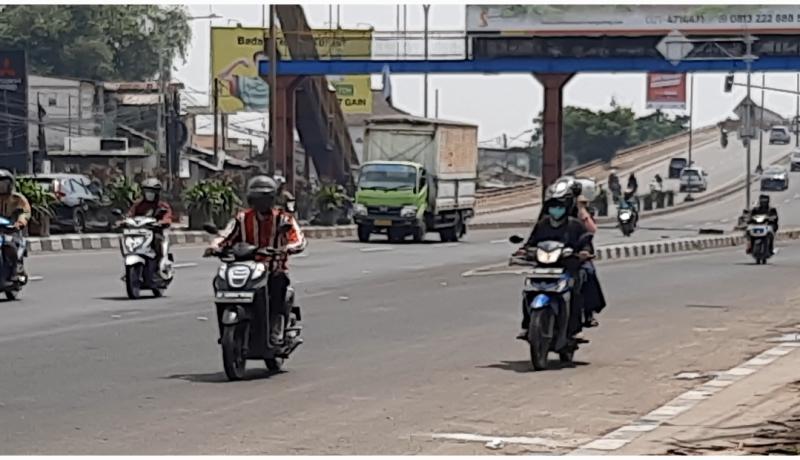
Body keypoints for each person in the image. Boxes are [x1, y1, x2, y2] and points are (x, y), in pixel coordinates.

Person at [209, 175, 307, 344]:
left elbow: (298, 239)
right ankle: (226, 330)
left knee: (278, 284)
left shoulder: (283, 219)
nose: (261, 203)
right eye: (257, 199)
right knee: (220, 282)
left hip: (273, 269)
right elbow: (226, 235)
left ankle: (275, 327)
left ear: (272, 199)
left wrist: (286, 249)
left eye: (265, 198)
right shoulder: (242, 218)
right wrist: (215, 246)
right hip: (246, 268)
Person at [515, 186, 592, 341]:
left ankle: (575, 329)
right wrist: (523, 251)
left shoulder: (575, 225)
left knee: (575, 292)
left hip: (567, 266)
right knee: (528, 291)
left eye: (559, 207)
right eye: (553, 207)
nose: (556, 210)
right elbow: (531, 242)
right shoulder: (542, 224)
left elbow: (586, 242)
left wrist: (583, 252)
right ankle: (526, 325)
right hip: (544, 267)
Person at [127, 178, 173, 265]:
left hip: (155, 232)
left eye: (152, 191)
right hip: (139, 232)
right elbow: (130, 215)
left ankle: (159, 262)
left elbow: (168, 217)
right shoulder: (138, 205)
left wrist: (161, 222)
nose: (150, 193)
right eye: (147, 190)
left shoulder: (162, 205)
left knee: (157, 240)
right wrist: (123, 221)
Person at [0, 170, 30, 282]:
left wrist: (20, 222)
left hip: (11, 230)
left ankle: (16, 269)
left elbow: (25, 212)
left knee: (10, 245)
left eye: (3, 184)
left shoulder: (17, 199)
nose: (1, 187)